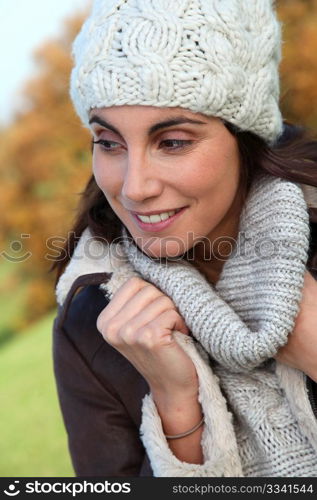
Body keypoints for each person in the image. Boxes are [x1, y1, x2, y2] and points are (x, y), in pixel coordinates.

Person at [52, 0, 317, 477]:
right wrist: (178, 410)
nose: (134, 187)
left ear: (243, 136)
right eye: (109, 143)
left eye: (172, 142)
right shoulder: (91, 320)